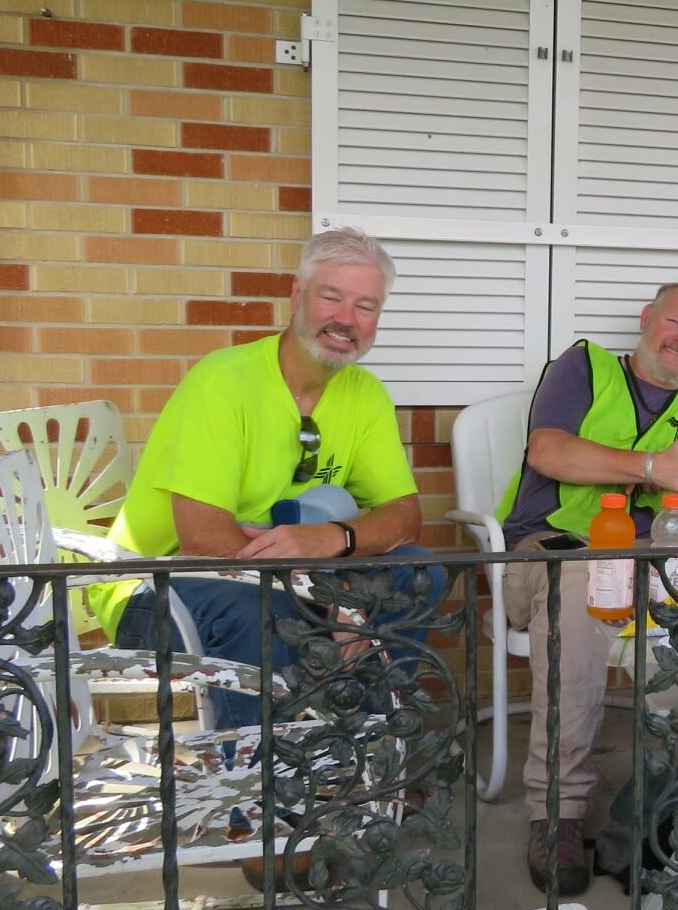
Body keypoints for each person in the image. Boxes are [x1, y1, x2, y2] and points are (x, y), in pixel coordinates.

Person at [88, 226, 439, 731]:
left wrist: (334, 539)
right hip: (157, 587)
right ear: (297, 295)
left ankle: (366, 740)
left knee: (417, 572)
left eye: (365, 305)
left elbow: (405, 517)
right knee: (265, 610)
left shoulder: (364, 394)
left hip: (284, 581)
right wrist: (327, 598)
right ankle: (262, 773)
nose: (346, 319)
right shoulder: (223, 381)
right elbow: (202, 539)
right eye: (331, 297)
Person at [500, 280, 678, 895]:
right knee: (586, 579)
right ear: (646, 319)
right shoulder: (583, 367)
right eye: (674, 322)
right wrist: (653, 468)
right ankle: (557, 809)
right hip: (555, 553)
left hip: (652, 562)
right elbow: (547, 451)